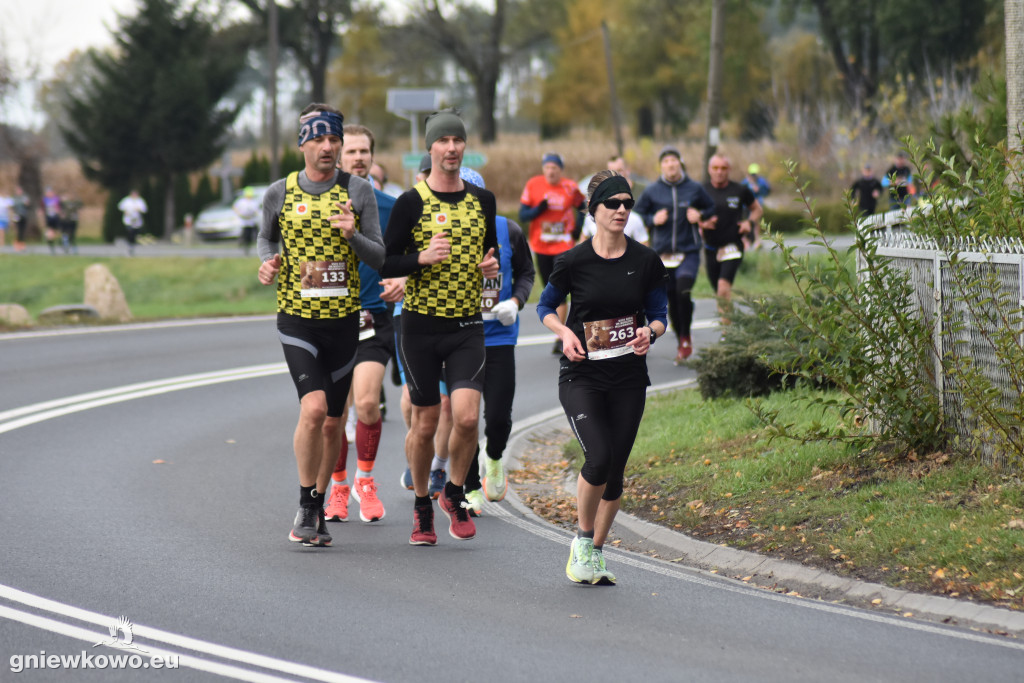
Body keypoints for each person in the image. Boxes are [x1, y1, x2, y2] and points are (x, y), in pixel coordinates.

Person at [256, 103, 384, 547]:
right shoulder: (281, 191)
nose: (329, 147)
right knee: (312, 409)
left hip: (343, 321)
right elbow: (266, 237)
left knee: (334, 421)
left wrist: (354, 235)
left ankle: (321, 497)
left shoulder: (358, 191)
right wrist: (266, 264)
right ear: (303, 144)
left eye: (335, 140)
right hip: (297, 320)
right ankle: (307, 503)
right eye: (320, 140)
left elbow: (379, 255)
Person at [537, 169, 667, 585]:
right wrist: (564, 332)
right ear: (594, 210)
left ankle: (594, 553)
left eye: (628, 204)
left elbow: (660, 313)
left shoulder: (645, 260)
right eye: (613, 203)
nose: (622, 210)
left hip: (628, 376)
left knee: (616, 472)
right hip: (582, 376)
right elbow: (545, 306)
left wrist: (651, 332)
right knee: (599, 457)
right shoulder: (573, 261)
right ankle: (580, 539)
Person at [380, 108, 499, 545]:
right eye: (443, 141)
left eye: (458, 141)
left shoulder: (482, 201)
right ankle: (421, 507)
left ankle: (453, 491)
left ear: (464, 147)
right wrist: (420, 259)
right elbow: (385, 261)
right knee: (426, 423)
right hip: (420, 328)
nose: (451, 148)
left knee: (467, 419)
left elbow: (490, 258)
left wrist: (490, 268)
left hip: (467, 324)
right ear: (429, 149)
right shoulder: (411, 202)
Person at [322, 123, 403, 525]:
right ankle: (337, 486)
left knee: (368, 402)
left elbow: (411, 258)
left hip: (374, 316)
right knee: (332, 415)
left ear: (372, 156)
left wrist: (403, 279)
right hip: (326, 318)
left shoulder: (391, 207)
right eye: (349, 151)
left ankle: (365, 480)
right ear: (338, 156)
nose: (357, 158)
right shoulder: (318, 203)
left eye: (363, 152)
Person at [454, 167, 535, 515]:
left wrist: (515, 303)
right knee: (465, 417)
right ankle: (470, 486)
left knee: (498, 416)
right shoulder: (443, 232)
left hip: (499, 335)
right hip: (460, 336)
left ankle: (495, 457)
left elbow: (528, 273)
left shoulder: (509, 230)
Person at [634, 145, 715, 364]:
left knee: (683, 290)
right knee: (671, 298)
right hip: (662, 253)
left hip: (688, 251)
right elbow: (637, 215)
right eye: (666, 162)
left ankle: (686, 337)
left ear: (680, 163)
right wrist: (653, 219)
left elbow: (712, 208)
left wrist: (700, 214)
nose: (670, 165)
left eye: (674, 161)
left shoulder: (694, 188)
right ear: (662, 166)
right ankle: (681, 338)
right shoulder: (652, 190)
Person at [518, 152, 586, 353]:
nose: (550, 171)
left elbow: (584, 208)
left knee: (560, 287)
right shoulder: (533, 185)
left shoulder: (570, 187)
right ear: (543, 169)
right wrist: (538, 209)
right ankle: (561, 331)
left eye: (554, 168)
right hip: (541, 244)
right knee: (549, 285)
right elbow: (523, 215)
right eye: (547, 167)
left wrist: (578, 229)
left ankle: (560, 336)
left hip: (563, 245)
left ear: (560, 170)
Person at [699, 154, 762, 319]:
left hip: (733, 246)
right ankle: (731, 323)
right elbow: (690, 215)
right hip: (711, 248)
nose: (719, 172)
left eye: (723, 168)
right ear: (709, 169)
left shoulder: (740, 190)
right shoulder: (701, 191)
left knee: (723, 288)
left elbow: (757, 209)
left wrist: (749, 222)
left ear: (729, 170)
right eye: (715, 168)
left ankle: (727, 334)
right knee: (720, 293)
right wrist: (702, 224)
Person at [741, 163, 770, 249]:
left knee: (756, 223)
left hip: (757, 205)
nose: (754, 176)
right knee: (746, 222)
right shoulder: (745, 182)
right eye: (752, 174)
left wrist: (759, 190)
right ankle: (745, 241)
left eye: (755, 174)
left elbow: (767, 191)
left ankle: (757, 241)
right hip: (745, 206)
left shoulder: (761, 181)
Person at [118, 189, 148, 256]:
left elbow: (144, 209)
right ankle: (130, 245)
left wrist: (139, 209)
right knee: (130, 232)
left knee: (135, 233)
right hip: (128, 220)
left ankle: (133, 245)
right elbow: (120, 207)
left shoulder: (140, 201)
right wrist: (125, 210)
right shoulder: (127, 200)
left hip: (137, 221)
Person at [233, 186, 261, 255]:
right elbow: (235, 207)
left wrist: (255, 214)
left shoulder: (254, 202)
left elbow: (257, 211)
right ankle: (243, 244)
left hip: (252, 221)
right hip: (244, 221)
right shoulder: (241, 201)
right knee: (246, 234)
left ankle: (259, 245)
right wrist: (239, 214)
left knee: (256, 233)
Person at [41, 188, 62, 254]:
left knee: (57, 232)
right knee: (50, 233)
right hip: (49, 218)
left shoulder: (56, 199)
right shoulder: (45, 200)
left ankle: (59, 242)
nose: (49, 194)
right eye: (48, 193)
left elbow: (60, 207)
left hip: (55, 218)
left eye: (51, 192)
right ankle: (51, 246)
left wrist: (59, 211)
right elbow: (42, 209)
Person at [12, 187, 29, 252]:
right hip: (17, 216)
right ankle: (17, 244)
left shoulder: (24, 197)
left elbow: (28, 205)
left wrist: (26, 203)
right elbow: (12, 207)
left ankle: (22, 245)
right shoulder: (15, 198)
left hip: (23, 215)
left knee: (23, 230)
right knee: (18, 230)